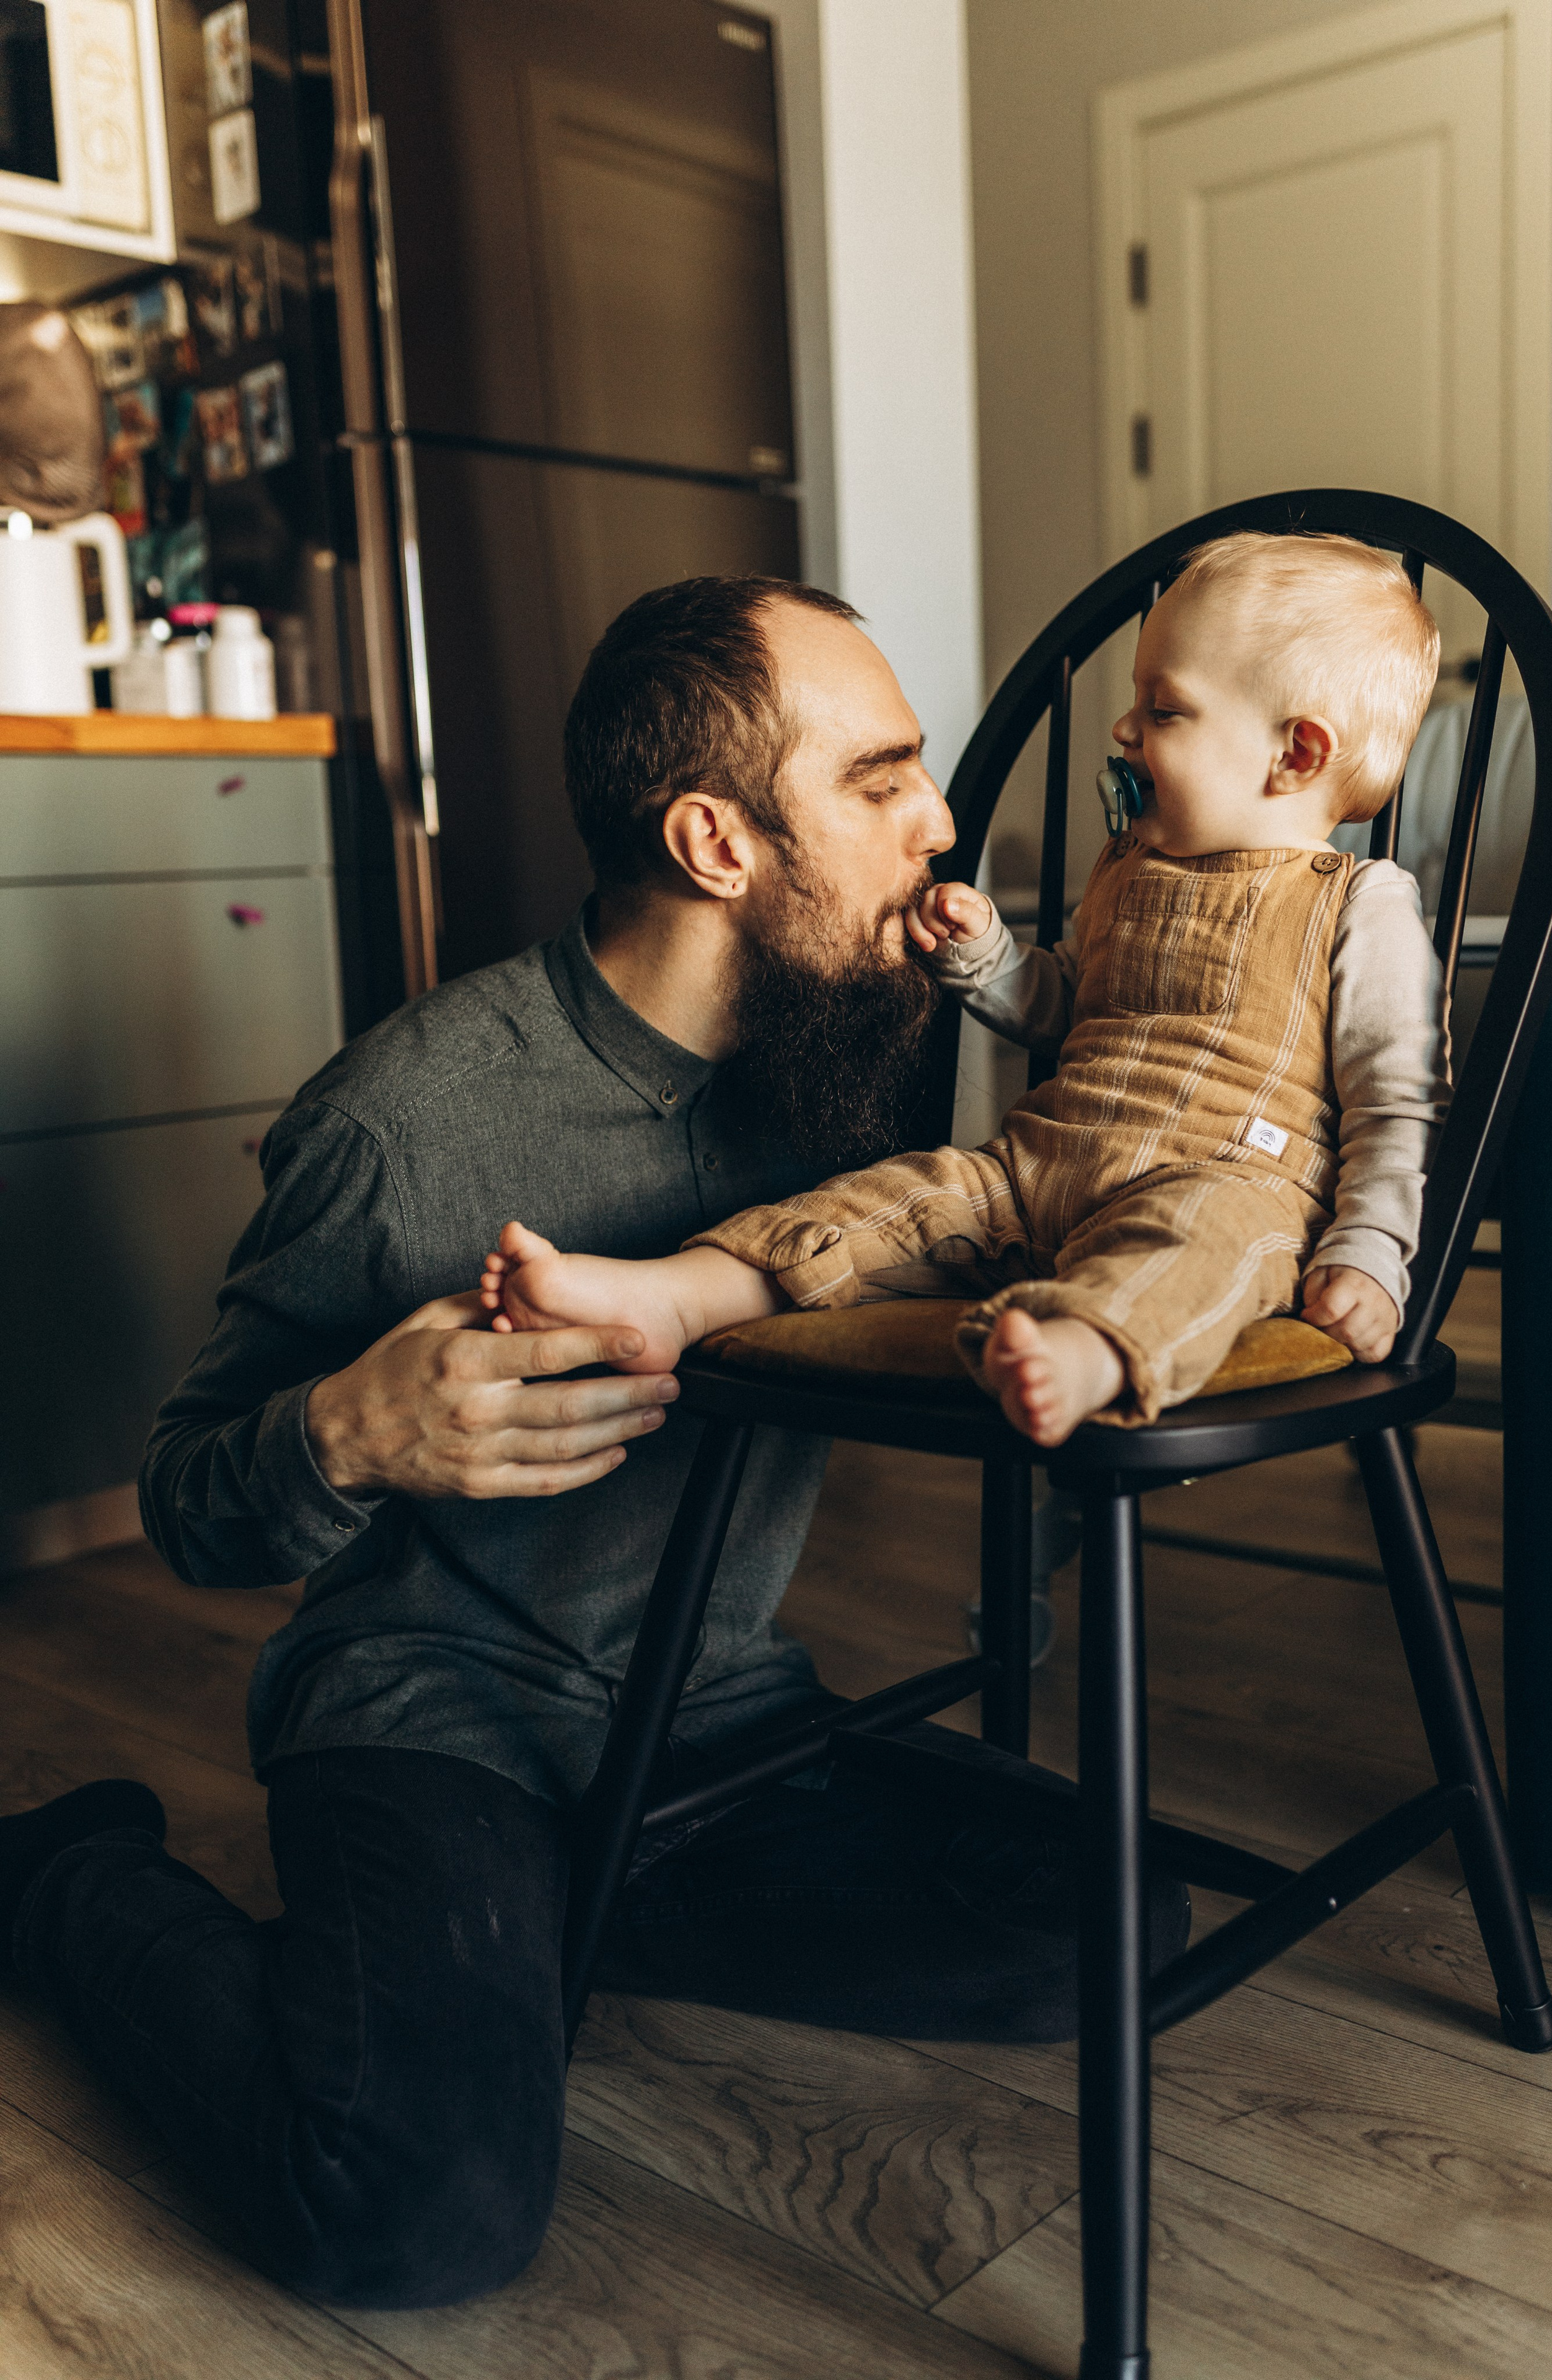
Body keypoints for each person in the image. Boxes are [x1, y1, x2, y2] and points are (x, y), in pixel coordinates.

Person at [0, 573, 1190, 2311]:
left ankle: (552, 1914)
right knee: (415, 2217)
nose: (939, 829)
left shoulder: (855, 1050)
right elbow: (188, 1503)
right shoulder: (402, 1121)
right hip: (436, 1713)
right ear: (717, 841)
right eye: (880, 779)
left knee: (1119, 1918)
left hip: (712, 1712)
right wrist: (344, 1431)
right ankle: (71, 1875)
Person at [481, 534, 1450, 1448]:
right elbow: (1071, 1006)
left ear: (1298, 754)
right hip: (1038, 1166)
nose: (1124, 728)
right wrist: (989, 961)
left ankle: (1081, 1348)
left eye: (1165, 709)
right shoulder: (1127, 866)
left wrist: (1367, 1250)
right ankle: (679, 1295)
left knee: (1191, 1252)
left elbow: (1394, 1106)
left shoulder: (1360, 906)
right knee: (889, 1200)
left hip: (1228, 1179)